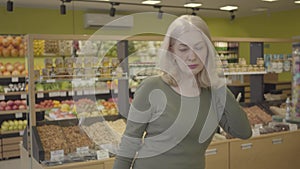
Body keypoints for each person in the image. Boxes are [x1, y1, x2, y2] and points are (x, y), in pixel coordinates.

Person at [112, 15, 252, 169]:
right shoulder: (152, 88)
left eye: (199, 48)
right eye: (183, 48)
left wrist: (218, 84)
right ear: (171, 50)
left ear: (208, 50)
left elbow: (244, 131)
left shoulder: (213, 93)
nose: (192, 56)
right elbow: (129, 144)